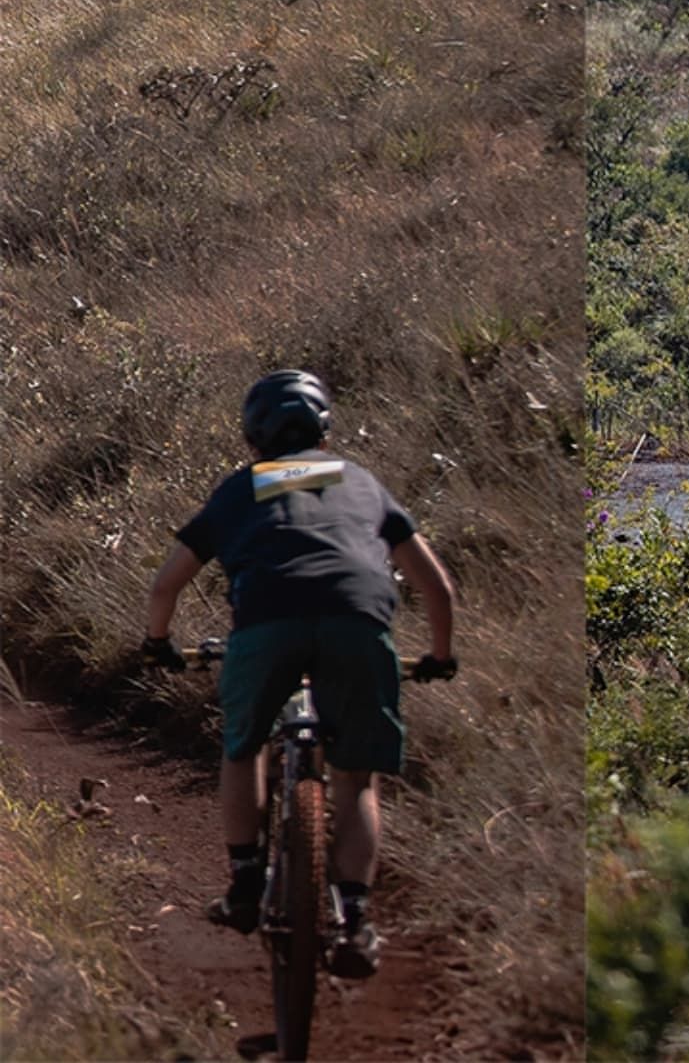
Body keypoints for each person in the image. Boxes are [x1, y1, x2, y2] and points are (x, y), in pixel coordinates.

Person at [141, 369, 457, 978]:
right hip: (357, 623)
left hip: (266, 622)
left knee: (244, 746)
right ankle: (355, 920)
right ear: (323, 431)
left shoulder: (241, 489)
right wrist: (441, 655)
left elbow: (164, 586)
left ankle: (245, 883)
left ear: (252, 438)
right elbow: (437, 588)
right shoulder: (361, 483)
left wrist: (158, 644)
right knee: (355, 779)